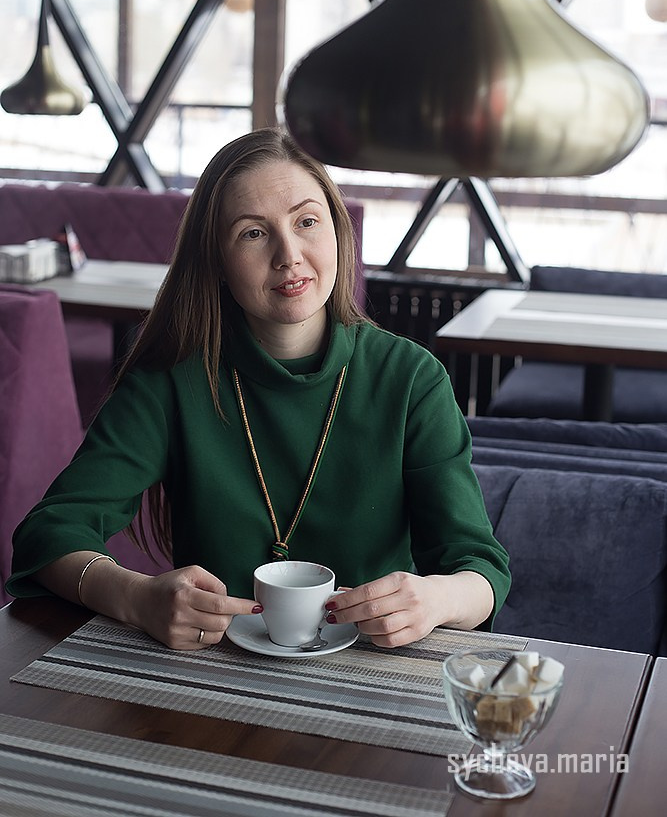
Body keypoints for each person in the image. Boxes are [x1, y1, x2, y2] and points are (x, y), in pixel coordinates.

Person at [8, 127, 510, 651]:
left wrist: (434, 599)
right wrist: (136, 597)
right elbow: (50, 533)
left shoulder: (410, 378)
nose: (288, 255)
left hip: (375, 669)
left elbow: (480, 568)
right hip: (209, 672)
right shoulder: (171, 381)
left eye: (307, 222)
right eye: (253, 233)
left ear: (338, 232)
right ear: (218, 263)